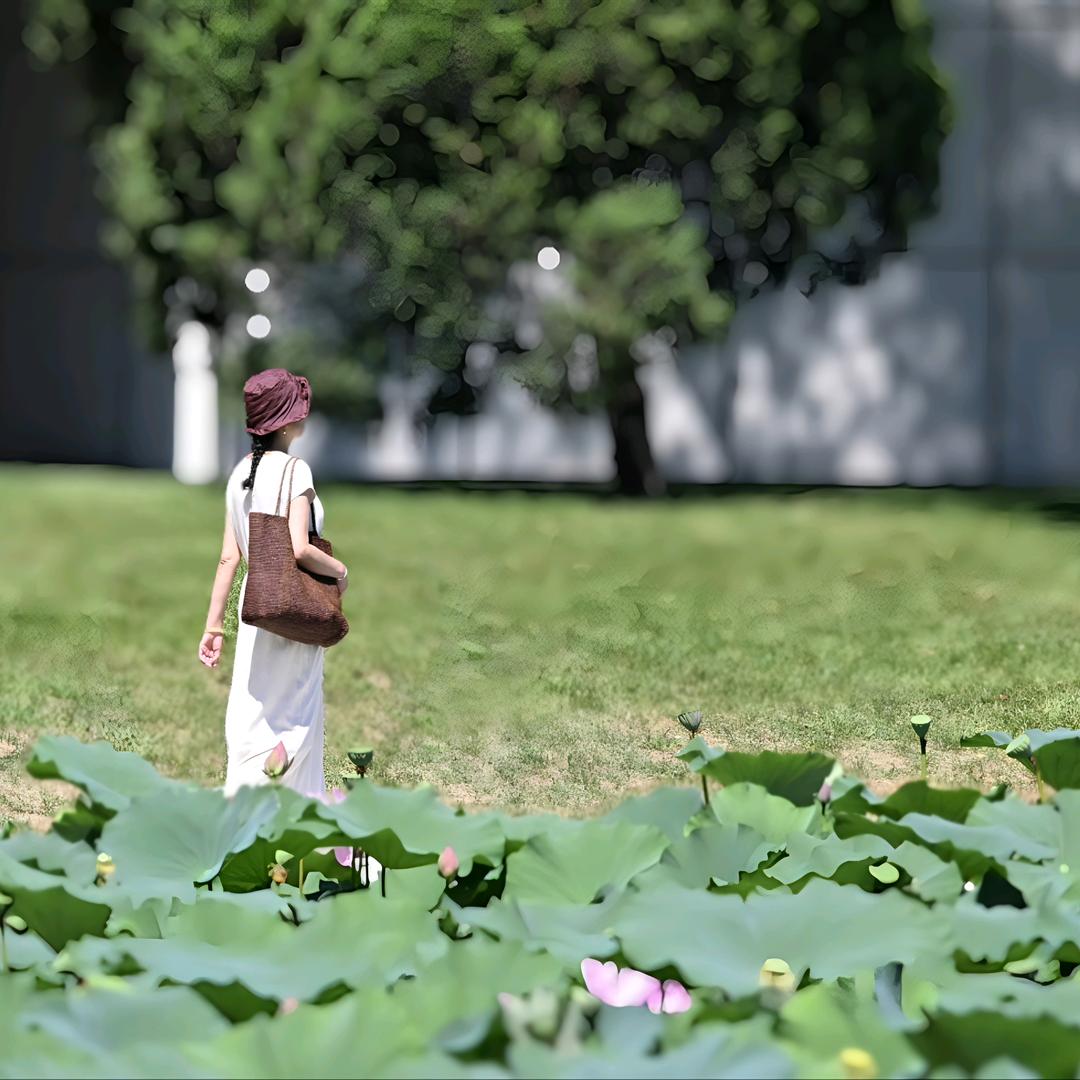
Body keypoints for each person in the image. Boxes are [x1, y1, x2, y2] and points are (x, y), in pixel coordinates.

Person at [197, 368, 349, 797]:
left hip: (254, 608)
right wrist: (341, 573)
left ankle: (243, 802)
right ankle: (294, 809)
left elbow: (230, 557)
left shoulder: (239, 475)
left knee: (253, 712)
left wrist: (213, 627)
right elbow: (299, 549)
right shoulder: (296, 471)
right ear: (285, 421)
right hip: (291, 603)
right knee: (295, 712)